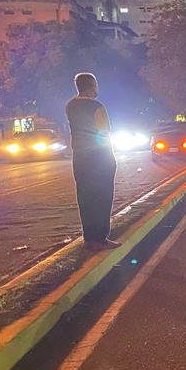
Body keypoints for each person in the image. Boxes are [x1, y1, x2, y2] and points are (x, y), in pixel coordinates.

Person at [65, 72, 121, 251]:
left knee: (85, 197)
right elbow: (104, 130)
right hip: (99, 157)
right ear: (92, 85)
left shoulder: (70, 106)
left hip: (80, 157)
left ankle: (89, 237)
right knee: (103, 196)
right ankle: (101, 237)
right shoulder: (96, 106)